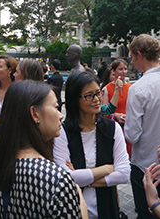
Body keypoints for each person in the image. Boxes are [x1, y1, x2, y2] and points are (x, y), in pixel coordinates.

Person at [0, 80, 87, 218]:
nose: (60, 115)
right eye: (56, 107)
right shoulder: (57, 180)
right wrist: (79, 198)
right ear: (35, 114)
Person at [53, 71, 130, 219]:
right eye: (89, 95)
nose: (96, 100)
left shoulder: (112, 129)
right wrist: (106, 169)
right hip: (74, 208)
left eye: (98, 93)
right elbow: (64, 178)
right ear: (75, 99)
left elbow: (124, 174)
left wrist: (82, 178)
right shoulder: (63, 132)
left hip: (107, 208)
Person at [125, 34, 160, 219]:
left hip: (146, 167)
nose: (132, 62)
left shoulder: (138, 88)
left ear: (140, 55)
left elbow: (132, 135)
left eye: (131, 57)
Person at [102, 59, 132, 157]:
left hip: (129, 126)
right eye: (120, 69)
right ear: (113, 71)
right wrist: (116, 115)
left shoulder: (131, 88)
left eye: (125, 69)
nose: (123, 72)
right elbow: (104, 111)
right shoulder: (106, 89)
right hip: (114, 126)